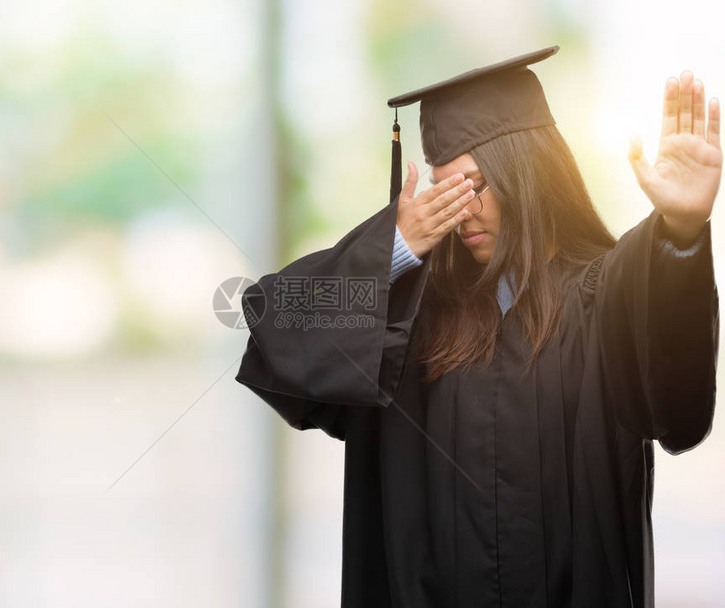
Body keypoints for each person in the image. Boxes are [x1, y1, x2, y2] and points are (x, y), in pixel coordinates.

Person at [234, 45, 720, 608]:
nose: (460, 211)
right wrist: (391, 251)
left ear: (526, 171)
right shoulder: (409, 322)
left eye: (472, 186)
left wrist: (681, 233)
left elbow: (679, 417)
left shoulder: (602, 296)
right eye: (443, 191)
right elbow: (274, 329)